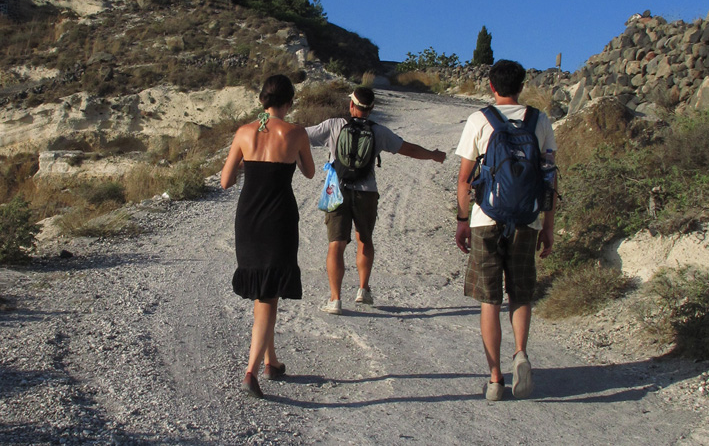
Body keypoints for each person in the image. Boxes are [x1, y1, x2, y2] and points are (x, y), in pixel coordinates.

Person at [454, 59, 556, 401]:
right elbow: (549, 177)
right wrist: (548, 226)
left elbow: (465, 178)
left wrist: (463, 220)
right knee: (521, 293)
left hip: (486, 218)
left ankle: (496, 378)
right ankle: (521, 353)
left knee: (489, 300)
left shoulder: (478, 119)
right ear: (522, 86)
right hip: (527, 218)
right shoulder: (540, 121)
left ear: (492, 87)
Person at [306, 86, 446, 315]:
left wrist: (271, 126)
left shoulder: (333, 125)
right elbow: (408, 149)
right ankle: (363, 289)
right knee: (364, 239)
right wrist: (433, 154)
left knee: (336, 244)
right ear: (371, 110)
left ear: (351, 105)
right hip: (367, 191)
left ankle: (335, 299)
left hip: (336, 190)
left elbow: (300, 134)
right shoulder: (378, 132)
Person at [221, 74, 315, 399]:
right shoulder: (296, 133)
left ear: (263, 99)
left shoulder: (244, 132)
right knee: (269, 294)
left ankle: (271, 361)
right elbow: (309, 171)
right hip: (279, 218)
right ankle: (250, 370)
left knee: (264, 291)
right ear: (289, 102)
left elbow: (225, 180)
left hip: (248, 218)